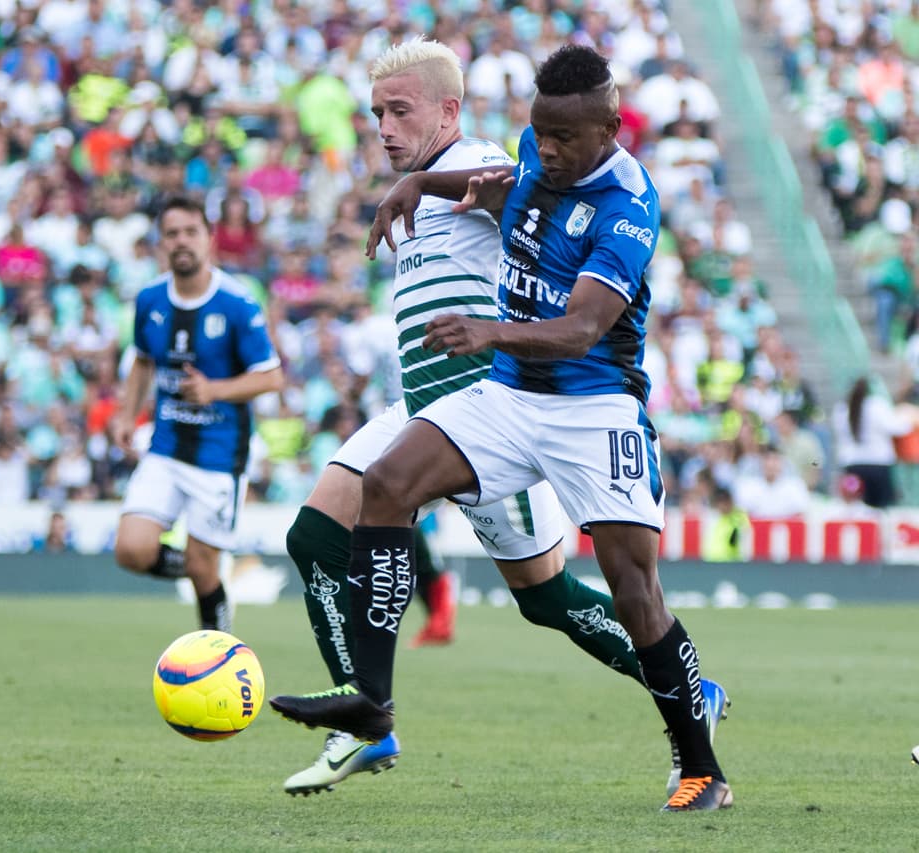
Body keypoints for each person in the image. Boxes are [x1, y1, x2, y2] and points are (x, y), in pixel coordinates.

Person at [272, 45, 733, 812]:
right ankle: (371, 708)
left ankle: (701, 765)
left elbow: (584, 326)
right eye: (538, 132)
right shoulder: (532, 153)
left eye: (561, 140)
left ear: (612, 129)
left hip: (592, 404)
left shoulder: (628, 205)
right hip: (507, 396)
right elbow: (504, 185)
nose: (544, 149)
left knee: (630, 589)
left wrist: (488, 330)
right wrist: (418, 181)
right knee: (385, 485)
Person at [110, 196, 284, 632]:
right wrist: (124, 415)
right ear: (160, 243)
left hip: (220, 456)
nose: (181, 242)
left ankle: (221, 650)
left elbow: (271, 377)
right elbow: (143, 361)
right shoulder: (149, 299)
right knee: (131, 550)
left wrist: (214, 390)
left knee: (205, 570)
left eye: (190, 232)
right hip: (166, 447)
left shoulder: (237, 303)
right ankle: (205, 572)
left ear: (209, 239)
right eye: (172, 234)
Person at [832, 376, 919, 508]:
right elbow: (896, 427)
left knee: (855, 509)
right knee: (880, 511)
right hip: (877, 466)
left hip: (851, 466)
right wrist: (910, 415)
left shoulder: (841, 409)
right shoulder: (876, 405)